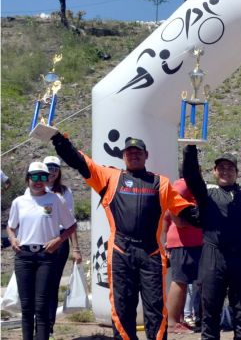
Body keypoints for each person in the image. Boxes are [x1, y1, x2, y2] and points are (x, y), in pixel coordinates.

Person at [50, 133, 198, 340]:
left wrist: (213, 215)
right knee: (122, 308)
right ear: (123, 157)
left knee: (155, 308)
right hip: (121, 252)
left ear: (146, 155)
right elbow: (80, 162)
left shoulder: (161, 183)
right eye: (130, 152)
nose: (134, 155)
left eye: (138, 152)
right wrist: (59, 140)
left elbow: (186, 211)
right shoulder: (110, 177)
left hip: (151, 253)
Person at [181, 146, 241, 340]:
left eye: (230, 168)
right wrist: (190, 150)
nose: (225, 171)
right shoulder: (206, 193)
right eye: (221, 168)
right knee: (210, 310)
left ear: (237, 173)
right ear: (214, 172)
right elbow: (191, 177)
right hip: (213, 257)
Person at [7, 161, 77, 340]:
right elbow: (11, 226)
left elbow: (71, 225)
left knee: (41, 305)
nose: (39, 181)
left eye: (43, 177)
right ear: (27, 179)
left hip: (46, 256)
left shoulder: (55, 199)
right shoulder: (18, 202)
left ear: (48, 179)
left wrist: (58, 240)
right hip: (24, 257)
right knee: (27, 306)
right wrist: (12, 239)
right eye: (35, 177)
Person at [42, 155, 83, 339]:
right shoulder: (36, 189)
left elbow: (70, 222)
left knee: (52, 283)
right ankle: (38, 321)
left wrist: (76, 248)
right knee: (38, 284)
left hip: (59, 240)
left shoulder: (64, 192)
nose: (52, 171)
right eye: (49, 167)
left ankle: (48, 324)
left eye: (55, 168)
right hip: (39, 240)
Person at [161, 177, 204, 334]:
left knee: (202, 282)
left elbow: (166, 218)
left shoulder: (195, 185)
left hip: (196, 241)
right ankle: (172, 322)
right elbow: (171, 202)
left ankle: (201, 319)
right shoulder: (184, 183)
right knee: (180, 281)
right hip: (184, 242)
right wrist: (180, 222)